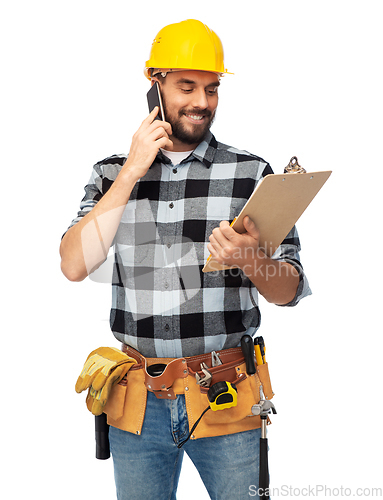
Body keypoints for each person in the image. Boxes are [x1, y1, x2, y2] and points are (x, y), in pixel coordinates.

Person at [60, 19, 311, 500]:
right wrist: (133, 169)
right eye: (186, 86)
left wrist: (252, 259)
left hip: (228, 398)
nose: (201, 102)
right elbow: (74, 265)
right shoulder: (111, 173)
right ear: (155, 85)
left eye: (212, 89)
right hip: (138, 403)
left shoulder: (251, 174)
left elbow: (290, 291)